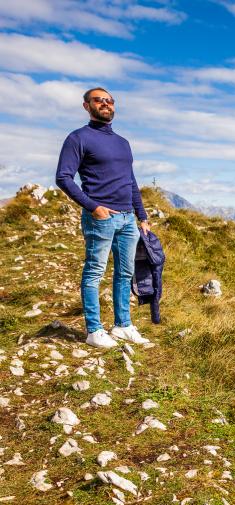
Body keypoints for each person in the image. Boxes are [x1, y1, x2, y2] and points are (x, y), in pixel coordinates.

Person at [56, 87, 152, 348]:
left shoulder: (123, 142)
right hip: (101, 218)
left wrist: (142, 216)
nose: (106, 104)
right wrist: (93, 207)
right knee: (94, 272)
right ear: (86, 106)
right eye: (99, 100)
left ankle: (122, 325)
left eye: (110, 101)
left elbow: (131, 181)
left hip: (128, 219)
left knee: (125, 273)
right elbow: (63, 177)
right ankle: (94, 331)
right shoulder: (78, 138)